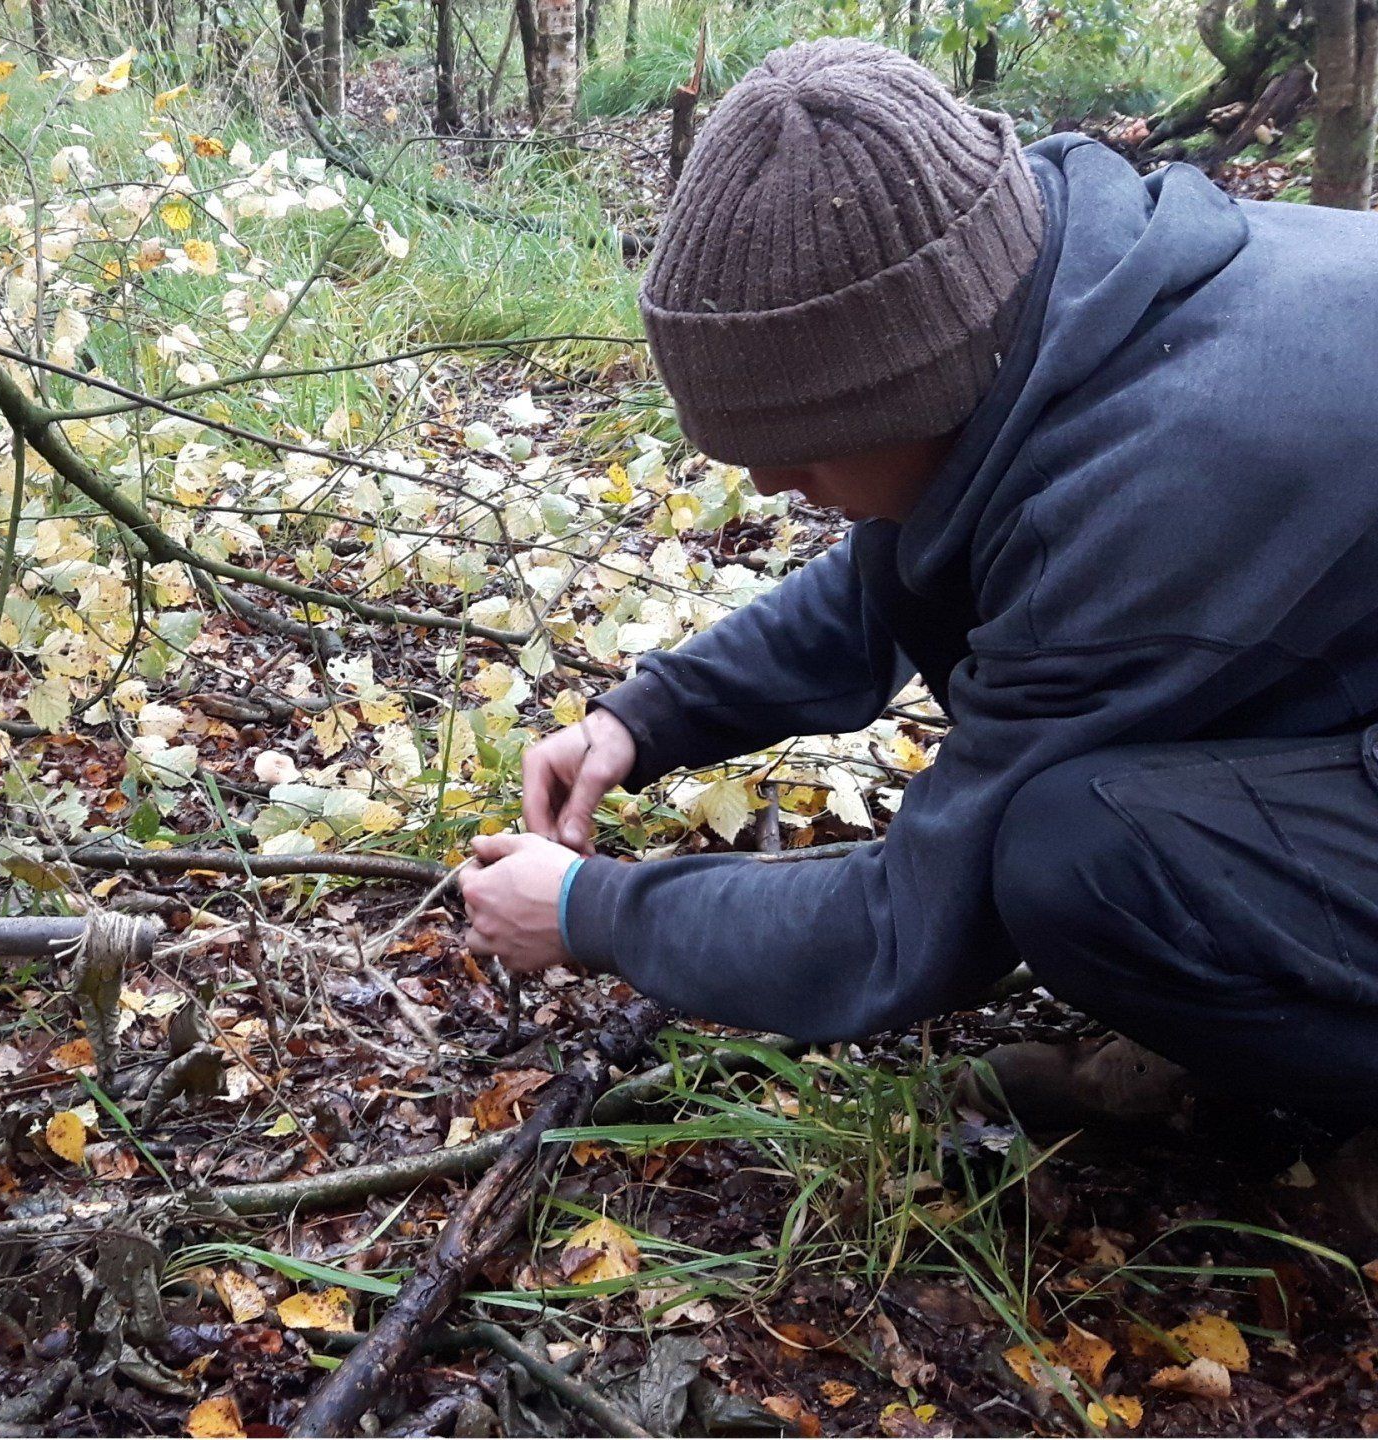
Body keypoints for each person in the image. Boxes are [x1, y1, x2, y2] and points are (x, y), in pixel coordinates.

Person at [457, 38, 1378, 1149]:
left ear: (917, 382)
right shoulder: (1061, 290)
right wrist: (647, 717)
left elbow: (912, 924)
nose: (768, 482)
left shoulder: (1153, 490)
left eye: (803, 441)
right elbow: (902, 565)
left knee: (1076, 859)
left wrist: (590, 911)